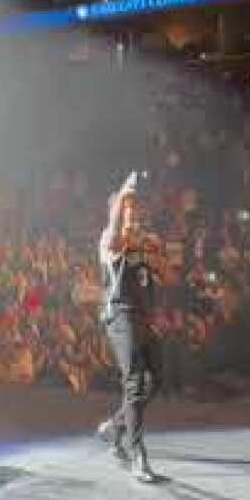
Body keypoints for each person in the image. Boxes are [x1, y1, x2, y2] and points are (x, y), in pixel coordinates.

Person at [95, 172, 161, 483]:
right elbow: (115, 237)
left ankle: (115, 426)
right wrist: (123, 193)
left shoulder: (140, 242)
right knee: (135, 381)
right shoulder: (110, 240)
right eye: (127, 208)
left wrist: (153, 251)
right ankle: (137, 455)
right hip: (120, 316)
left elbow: (162, 278)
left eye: (136, 207)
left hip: (143, 317)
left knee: (154, 381)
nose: (133, 212)